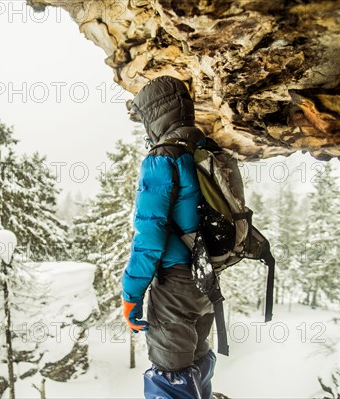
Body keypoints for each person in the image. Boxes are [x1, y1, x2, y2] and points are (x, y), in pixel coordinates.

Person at [121, 75, 216, 399]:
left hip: (174, 285)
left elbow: (149, 240)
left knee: (170, 378)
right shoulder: (206, 151)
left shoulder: (162, 158)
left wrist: (130, 296)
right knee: (198, 363)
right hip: (207, 281)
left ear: (154, 116)